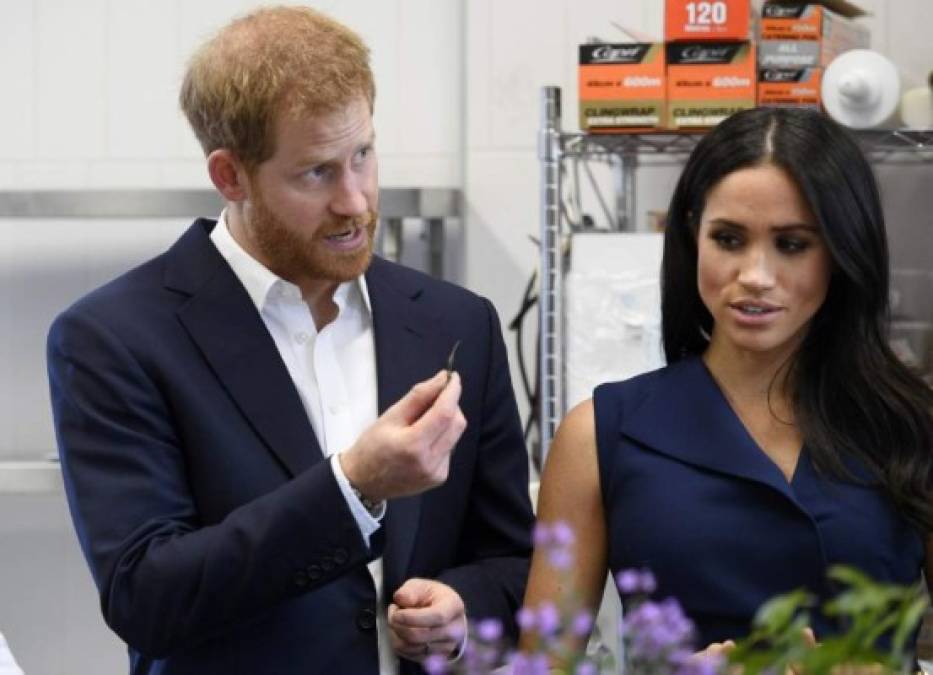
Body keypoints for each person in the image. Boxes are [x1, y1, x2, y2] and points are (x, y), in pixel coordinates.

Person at [47, 6, 533, 674]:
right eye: (316, 172)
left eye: (362, 154)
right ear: (230, 176)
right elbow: (146, 594)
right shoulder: (112, 338)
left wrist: (461, 607)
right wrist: (353, 485)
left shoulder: (458, 323)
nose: (356, 200)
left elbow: (513, 560)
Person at [521, 106, 932, 660]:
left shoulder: (909, 426)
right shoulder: (598, 438)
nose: (756, 276)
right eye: (730, 239)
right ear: (692, 235)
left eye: (792, 244)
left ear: (841, 252)